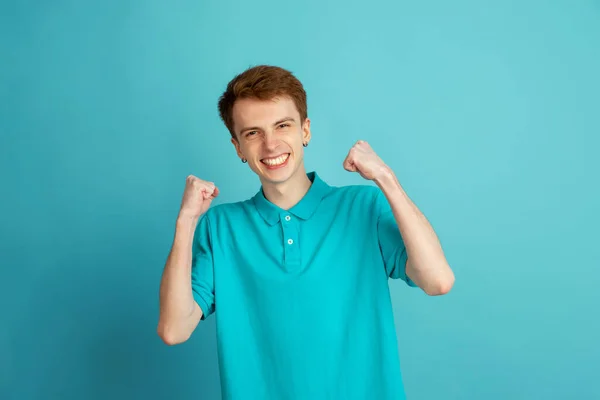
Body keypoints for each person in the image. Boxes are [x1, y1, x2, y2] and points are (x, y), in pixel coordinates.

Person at [157, 65, 455, 399]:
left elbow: (438, 280)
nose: (271, 144)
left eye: (282, 126)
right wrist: (186, 221)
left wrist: (386, 178)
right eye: (253, 133)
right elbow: (173, 329)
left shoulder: (363, 207)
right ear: (238, 147)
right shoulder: (220, 226)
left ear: (305, 130)